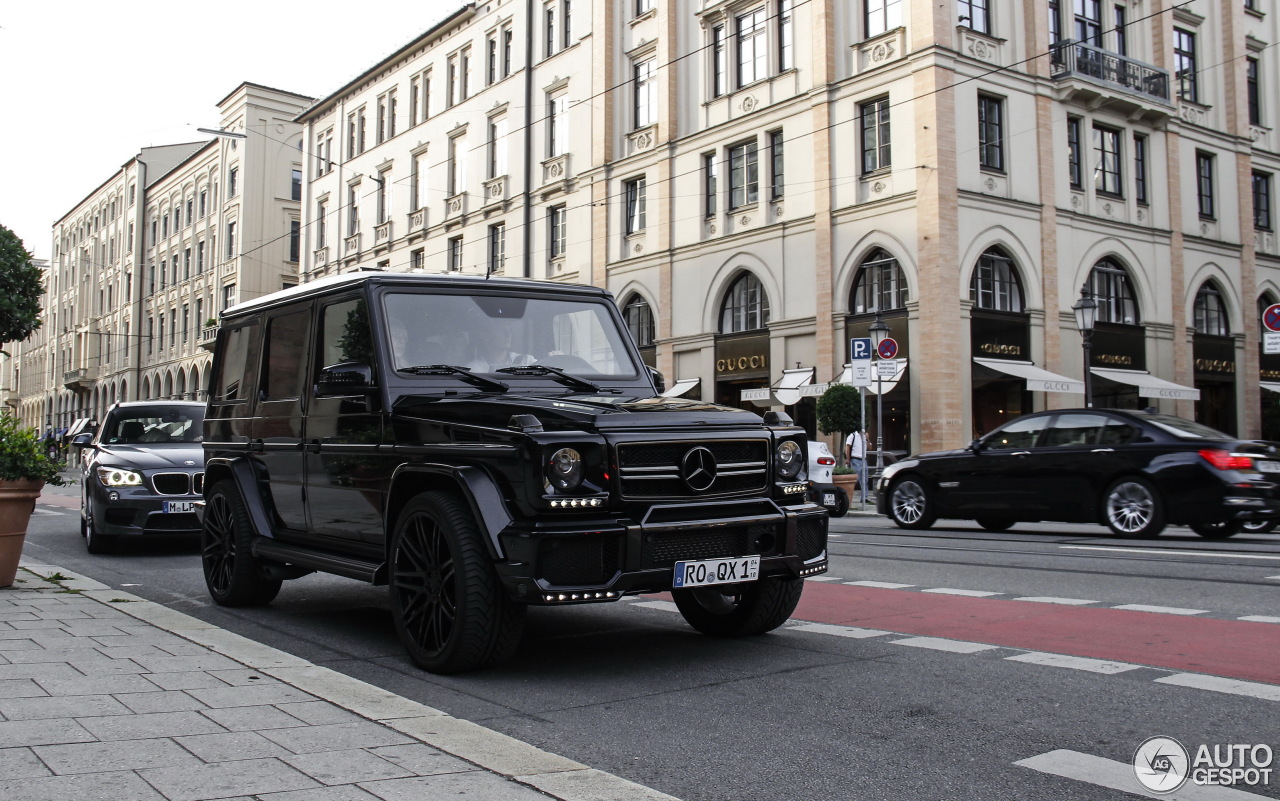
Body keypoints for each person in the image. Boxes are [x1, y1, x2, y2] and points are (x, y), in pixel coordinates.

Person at [845, 428, 869, 504]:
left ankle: (864, 498)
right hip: (855, 459)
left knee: (864, 479)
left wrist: (867, 439)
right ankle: (848, 497)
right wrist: (848, 459)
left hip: (864, 459)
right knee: (855, 479)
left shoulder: (865, 436)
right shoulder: (853, 435)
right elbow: (847, 447)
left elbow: (870, 447)